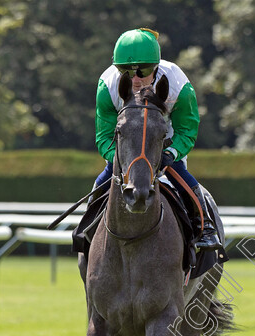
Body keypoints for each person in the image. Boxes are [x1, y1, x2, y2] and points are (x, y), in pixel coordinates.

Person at [93, 28, 220, 249]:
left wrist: (171, 153)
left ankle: (206, 227)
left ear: (157, 67)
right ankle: (86, 236)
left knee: (183, 178)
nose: (135, 79)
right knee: (99, 185)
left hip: (163, 142)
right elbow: (104, 136)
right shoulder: (107, 86)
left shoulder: (179, 86)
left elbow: (186, 130)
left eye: (144, 70)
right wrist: (122, 159)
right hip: (125, 150)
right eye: (127, 71)